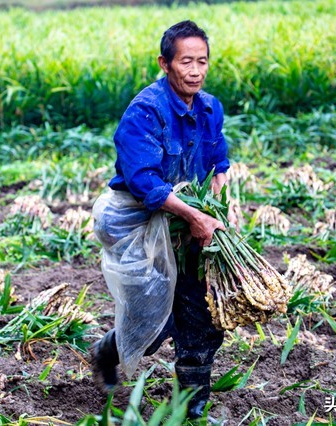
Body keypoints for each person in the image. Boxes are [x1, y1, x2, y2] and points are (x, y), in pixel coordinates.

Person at [91, 20, 231, 421]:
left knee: (202, 310)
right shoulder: (145, 111)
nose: (196, 70)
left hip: (191, 221)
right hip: (141, 222)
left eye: (202, 61)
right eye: (186, 61)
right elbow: (145, 183)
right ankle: (106, 352)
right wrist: (194, 215)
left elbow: (219, 164)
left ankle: (193, 406)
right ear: (165, 63)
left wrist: (216, 207)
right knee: (155, 319)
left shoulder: (209, 107)